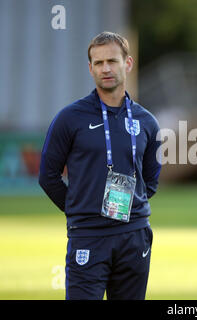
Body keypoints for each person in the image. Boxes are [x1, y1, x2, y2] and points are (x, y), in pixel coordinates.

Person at [39, 31, 161, 300]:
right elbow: (48, 176)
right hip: (88, 237)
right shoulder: (69, 118)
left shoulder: (147, 121)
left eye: (112, 61)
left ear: (128, 63)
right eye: (98, 63)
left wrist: (127, 209)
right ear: (90, 67)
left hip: (134, 236)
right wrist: (81, 207)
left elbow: (150, 181)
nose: (106, 68)